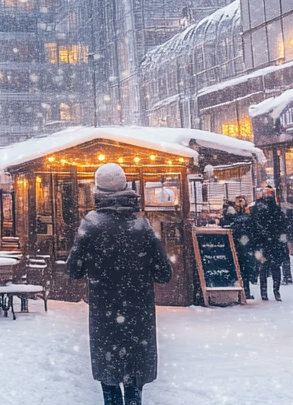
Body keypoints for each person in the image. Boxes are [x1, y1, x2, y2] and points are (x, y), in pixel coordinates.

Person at [66, 163, 172, 405]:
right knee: (134, 385)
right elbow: (164, 273)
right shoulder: (141, 225)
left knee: (110, 382)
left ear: (98, 190)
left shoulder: (90, 225)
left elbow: (73, 270)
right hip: (138, 316)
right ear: (126, 187)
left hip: (105, 316)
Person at [249, 186, 287, 301]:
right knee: (274, 268)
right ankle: (275, 291)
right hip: (273, 243)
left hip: (264, 243)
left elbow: (254, 226)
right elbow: (282, 227)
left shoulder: (258, 209)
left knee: (264, 268)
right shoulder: (276, 210)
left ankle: (265, 292)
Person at [229, 200, 258, 300]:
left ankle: (238, 293)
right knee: (246, 272)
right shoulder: (250, 219)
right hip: (246, 249)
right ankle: (246, 291)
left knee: (237, 271)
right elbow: (254, 233)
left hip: (236, 249)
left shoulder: (233, 220)